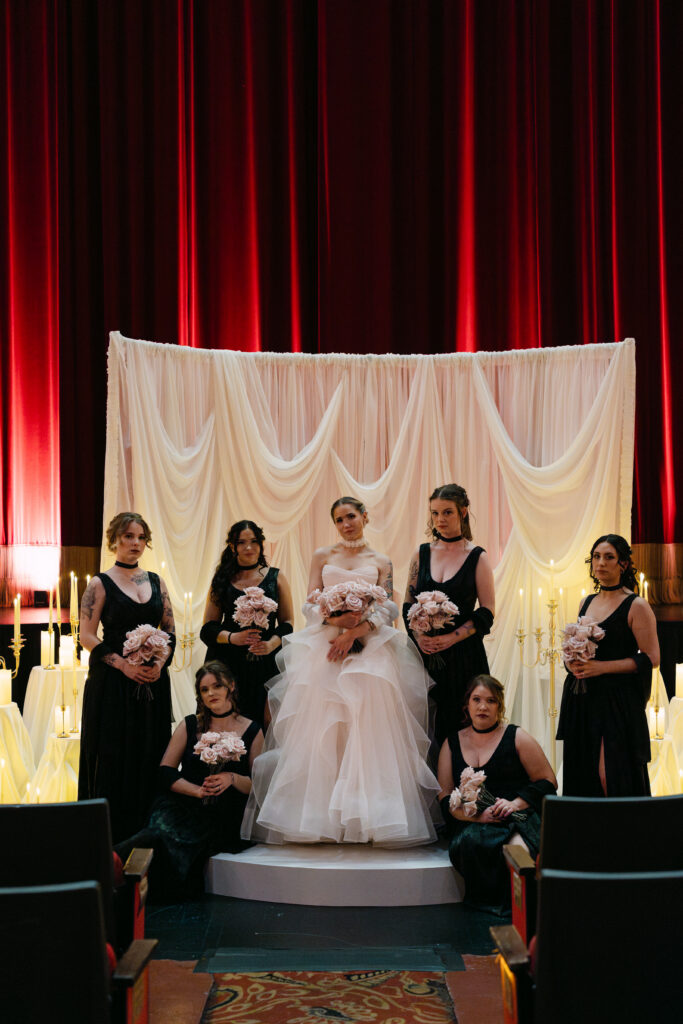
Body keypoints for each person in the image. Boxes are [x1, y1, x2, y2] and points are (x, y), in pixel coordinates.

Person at [243, 496, 440, 846]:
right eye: (339, 519)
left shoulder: (380, 560)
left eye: (351, 516)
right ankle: (320, 819)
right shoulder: (323, 555)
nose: (346, 524)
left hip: (369, 651)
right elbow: (308, 603)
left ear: (364, 517)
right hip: (327, 650)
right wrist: (335, 619)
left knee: (368, 730)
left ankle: (368, 818)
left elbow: (390, 606)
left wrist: (355, 631)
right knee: (323, 729)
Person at [115, 661, 263, 898]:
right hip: (183, 801)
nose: (211, 693)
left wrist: (231, 778)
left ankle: (110, 868)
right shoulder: (190, 724)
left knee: (170, 837)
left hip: (221, 813)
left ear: (231, 686)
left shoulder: (252, 730)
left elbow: (258, 786)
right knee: (157, 831)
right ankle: (109, 866)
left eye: (217, 686)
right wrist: (196, 791)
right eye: (204, 690)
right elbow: (166, 772)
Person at [78, 512, 175, 843]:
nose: (135, 543)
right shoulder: (99, 583)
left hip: (153, 682)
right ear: (114, 540)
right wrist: (123, 665)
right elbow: (86, 636)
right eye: (128, 536)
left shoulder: (156, 581)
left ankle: (149, 838)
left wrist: (159, 664)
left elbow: (170, 630)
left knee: (152, 751)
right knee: (115, 758)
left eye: (141, 537)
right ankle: (111, 843)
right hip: (113, 686)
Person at [438, 675, 557, 915]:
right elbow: (444, 794)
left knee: (518, 853)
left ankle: (525, 914)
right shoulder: (451, 742)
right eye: (477, 699)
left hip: (517, 818)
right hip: (474, 822)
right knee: (471, 842)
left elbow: (548, 781)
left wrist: (515, 804)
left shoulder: (517, 736)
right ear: (467, 705)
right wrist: (476, 817)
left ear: (499, 706)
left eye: (491, 701)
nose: (483, 706)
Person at [557, 534, 660, 797]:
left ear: (623, 564)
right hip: (582, 697)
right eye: (596, 557)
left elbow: (651, 658)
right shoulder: (586, 602)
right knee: (584, 769)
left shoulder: (636, 605)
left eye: (609, 557)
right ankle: (589, 834)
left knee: (611, 774)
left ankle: (622, 834)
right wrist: (572, 662)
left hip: (616, 703)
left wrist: (601, 668)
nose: (600, 563)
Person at [404, 483, 495, 744]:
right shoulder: (421, 554)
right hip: (422, 655)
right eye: (434, 513)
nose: (440, 520)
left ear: (463, 512)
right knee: (424, 729)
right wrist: (419, 636)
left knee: (460, 727)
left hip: (463, 657)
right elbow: (408, 603)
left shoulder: (478, 557)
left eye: (447, 513)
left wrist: (450, 638)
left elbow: (487, 611)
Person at [200, 521, 294, 727]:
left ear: (261, 545)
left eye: (253, 542)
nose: (248, 547)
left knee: (263, 723)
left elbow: (288, 623)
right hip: (228, 664)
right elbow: (207, 629)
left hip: (264, 662)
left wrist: (271, 644)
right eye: (241, 543)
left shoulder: (276, 578)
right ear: (233, 547)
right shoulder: (222, 580)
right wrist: (233, 638)